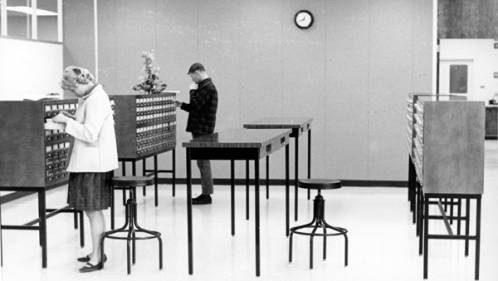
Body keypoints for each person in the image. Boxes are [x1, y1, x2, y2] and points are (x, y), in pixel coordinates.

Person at [52, 66, 118, 273]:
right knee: (92, 212)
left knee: (93, 211)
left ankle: (97, 258)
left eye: (73, 89)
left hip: (94, 165)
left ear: (82, 82)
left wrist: (67, 122)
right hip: (89, 163)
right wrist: (70, 116)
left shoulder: (97, 99)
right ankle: (97, 251)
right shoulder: (89, 97)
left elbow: (90, 133)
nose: (74, 94)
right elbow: (86, 122)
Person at [176, 63, 218, 205]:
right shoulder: (205, 87)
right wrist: (180, 104)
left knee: (203, 162)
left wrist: (192, 91)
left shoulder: (206, 88)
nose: (192, 80)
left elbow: (194, 106)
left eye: (192, 76)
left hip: (202, 130)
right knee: (202, 162)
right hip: (202, 129)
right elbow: (196, 108)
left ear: (198, 72)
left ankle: (206, 195)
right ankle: (206, 193)